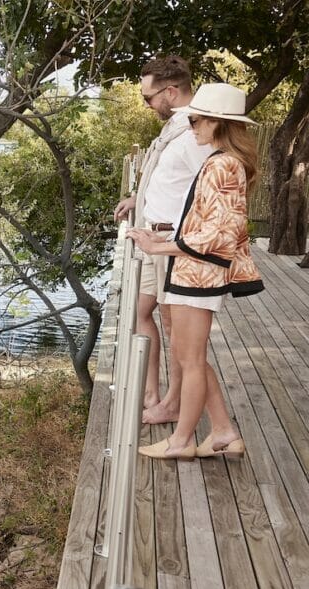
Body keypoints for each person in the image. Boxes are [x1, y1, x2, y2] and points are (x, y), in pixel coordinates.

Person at [128, 82, 264, 459]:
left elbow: (219, 234)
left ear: (218, 123)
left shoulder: (223, 166)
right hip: (192, 273)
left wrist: (160, 245)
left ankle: (182, 440)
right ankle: (221, 432)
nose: (192, 127)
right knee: (191, 358)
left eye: (197, 120)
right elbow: (208, 225)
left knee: (190, 360)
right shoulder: (219, 161)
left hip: (198, 276)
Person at [114, 55, 215, 425]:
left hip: (171, 243)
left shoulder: (195, 133)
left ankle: (174, 404)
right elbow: (169, 181)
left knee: (176, 329)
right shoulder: (176, 128)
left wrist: (183, 239)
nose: (147, 105)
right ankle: (152, 392)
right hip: (153, 239)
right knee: (141, 311)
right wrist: (135, 200)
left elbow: (208, 190)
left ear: (170, 91)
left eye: (148, 97)